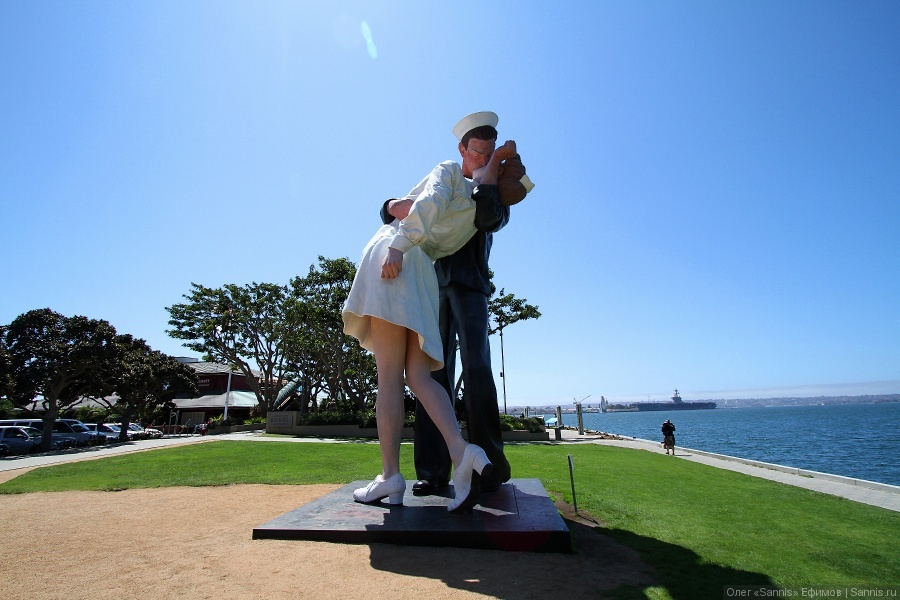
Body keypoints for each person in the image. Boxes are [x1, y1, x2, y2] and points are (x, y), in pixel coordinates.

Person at [342, 112, 519, 512]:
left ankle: (390, 477)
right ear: (464, 150)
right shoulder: (463, 190)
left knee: (391, 376)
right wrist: (393, 209)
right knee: (420, 375)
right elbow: (416, 206)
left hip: (404, 260)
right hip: (422, 272)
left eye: (491, 155)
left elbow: (429, 206)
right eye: (479, 153)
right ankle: (463, 452)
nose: (484, 160)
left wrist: (397, 245)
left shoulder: (475, 194)